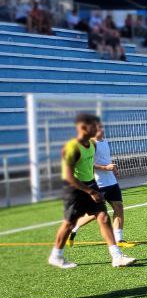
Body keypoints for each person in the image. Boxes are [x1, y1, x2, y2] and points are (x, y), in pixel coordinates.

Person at [47, 113, 135, 269]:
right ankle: (56, 255)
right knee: (69, 224)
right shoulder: (72, 147)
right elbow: (68, 176)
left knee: (103, 217)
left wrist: (94, 186)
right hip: (74, 189)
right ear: (82, 127)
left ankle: (116, 256)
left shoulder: (93, 145)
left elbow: (88, 169)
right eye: (94, 126)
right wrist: (91, 191)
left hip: (91, 185)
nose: (97, 129)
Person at [70, 120, 130, 248]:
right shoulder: (91, 144)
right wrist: (106, 168)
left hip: (111, 181)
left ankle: (119, 239)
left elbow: (105, 160)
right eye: (98, 129)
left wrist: (113, 169)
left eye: (102, 128)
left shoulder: (105, 141)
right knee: (96, 214)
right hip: (99, 183)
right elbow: (89, 164)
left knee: (118, 207)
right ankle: (74, 226)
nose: (101, 130)